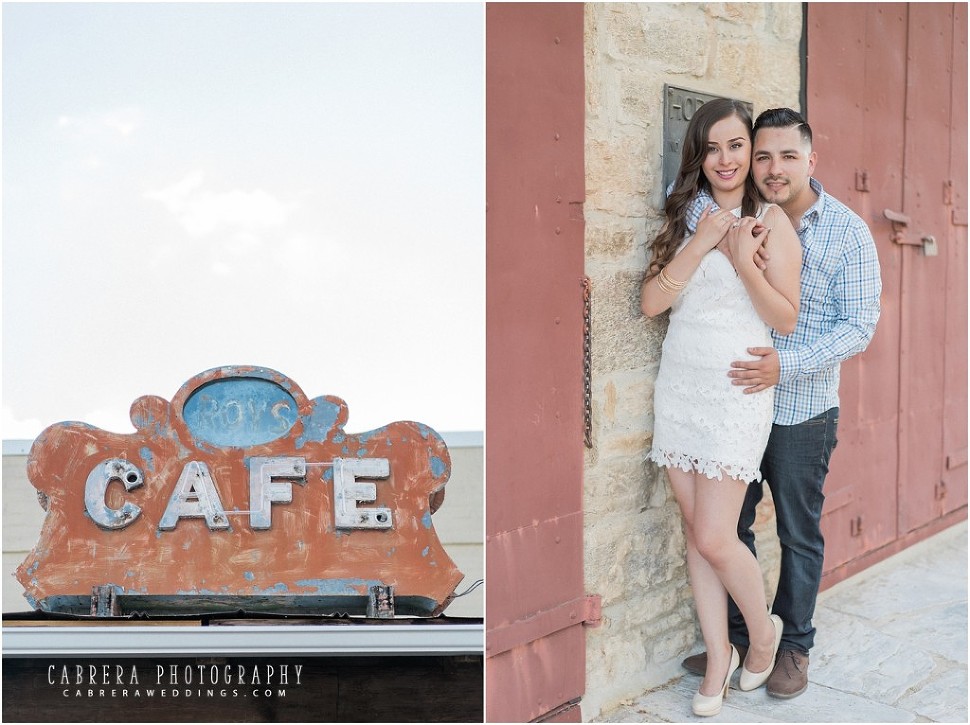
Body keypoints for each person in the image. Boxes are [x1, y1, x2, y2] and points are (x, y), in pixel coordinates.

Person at [680, 107, 882, 699]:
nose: (772, 168)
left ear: (811, 161)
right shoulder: (732, 214)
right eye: (761, 156)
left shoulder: (847, 232)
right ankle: (742, 640)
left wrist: (784, 365)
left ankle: (793, 645)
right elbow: (685, 201)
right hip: (733, 405)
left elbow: (860, 325)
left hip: (802, 407)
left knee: (798, 531)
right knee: (726, 528)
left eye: (787, 157)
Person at [641, 98, 802, 717]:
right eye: (713, 148)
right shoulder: (686, 215)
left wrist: (739, 257)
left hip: (737, 390)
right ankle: (718, 655)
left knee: (715, 534)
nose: (726, 159)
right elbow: (652, 303)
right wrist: (704, 238)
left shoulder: (772, 222)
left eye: (737, 146)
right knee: (695, 534)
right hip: (681, 384)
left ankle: (762, 634)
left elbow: (784, 317)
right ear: (699, 157)